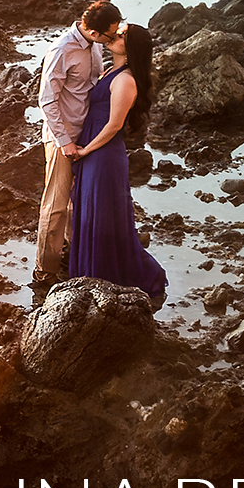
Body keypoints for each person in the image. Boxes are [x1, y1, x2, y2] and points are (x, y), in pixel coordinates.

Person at [68, 22, 167, 299]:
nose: (115, 36)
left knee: (102, 218)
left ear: (131, 47)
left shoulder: (125, 79)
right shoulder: (110, 71)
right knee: (89, 214)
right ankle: (89, 276)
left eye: (122, 36)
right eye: (118, 31)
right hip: (94, 149)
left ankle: (113, 276)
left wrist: (87, 150)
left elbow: (114, 126)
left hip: (104, 155)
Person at [33, 1, 122, 298]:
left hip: (87, 135)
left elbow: (89, 84)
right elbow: (46, 101)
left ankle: (71, 257)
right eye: (108, 36)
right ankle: (44, 273)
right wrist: (64, 141)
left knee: (77, 202)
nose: (111, 40)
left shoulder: (94, 45)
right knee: (56, 205)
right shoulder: (61, 50)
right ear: (93, 31)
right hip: (63, 136)